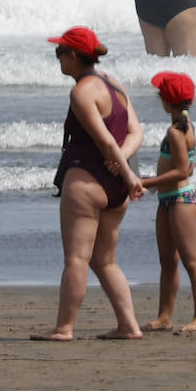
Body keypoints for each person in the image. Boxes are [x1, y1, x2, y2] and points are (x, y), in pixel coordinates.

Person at [32, 27, 145, 342]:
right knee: (105, 260)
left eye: (60, 53)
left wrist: (128, 173)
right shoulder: (115, 85)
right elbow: (136, 133)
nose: (57, 59)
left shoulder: (82, 91)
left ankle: (64, 327)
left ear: (73, 56)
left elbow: (104, 139)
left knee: (77, 258)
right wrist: (123, 168)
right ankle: (129, 325)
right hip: (115, 189)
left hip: (86, 181)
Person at [141, 71, 196, 334]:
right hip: (168, 198)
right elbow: (187, 168)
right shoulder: (185, 126)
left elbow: (182, 172)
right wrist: (153, 182)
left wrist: (146, 183)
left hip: (181, 199)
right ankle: (164, 316)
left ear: (165, 101)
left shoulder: (176, 130)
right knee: (167, 261)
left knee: (191, 260)